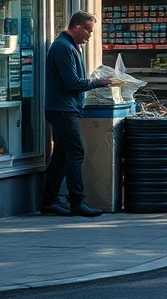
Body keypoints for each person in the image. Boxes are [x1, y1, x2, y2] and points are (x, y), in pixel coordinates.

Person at [41, 11, 113, 217]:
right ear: (78, 27)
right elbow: (72, 82)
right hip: (63, 110)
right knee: (76, 152)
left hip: (65, 108)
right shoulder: (63, 47)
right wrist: (98, 82)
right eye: (88, 31)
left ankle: (49, 201)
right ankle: (77, 202)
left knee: (62, 156)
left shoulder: (71, 46)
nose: (90, 36)